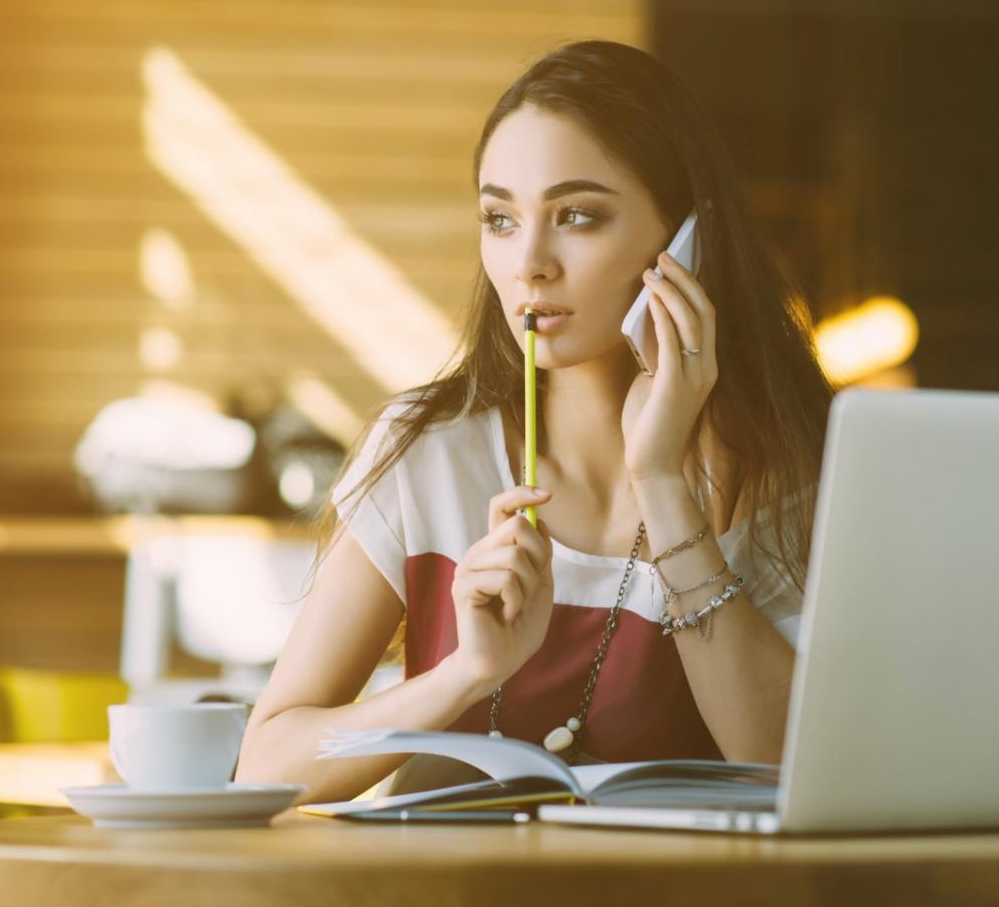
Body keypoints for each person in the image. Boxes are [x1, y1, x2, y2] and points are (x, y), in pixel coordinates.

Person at [235, 40, 835, 804]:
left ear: (687, 236)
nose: (529, 263)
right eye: (500, 218)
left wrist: (661, 482)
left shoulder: (775, 466)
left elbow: (793, 768)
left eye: (577, 216)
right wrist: (464, 673)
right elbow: (266, 761)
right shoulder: (427, 452)